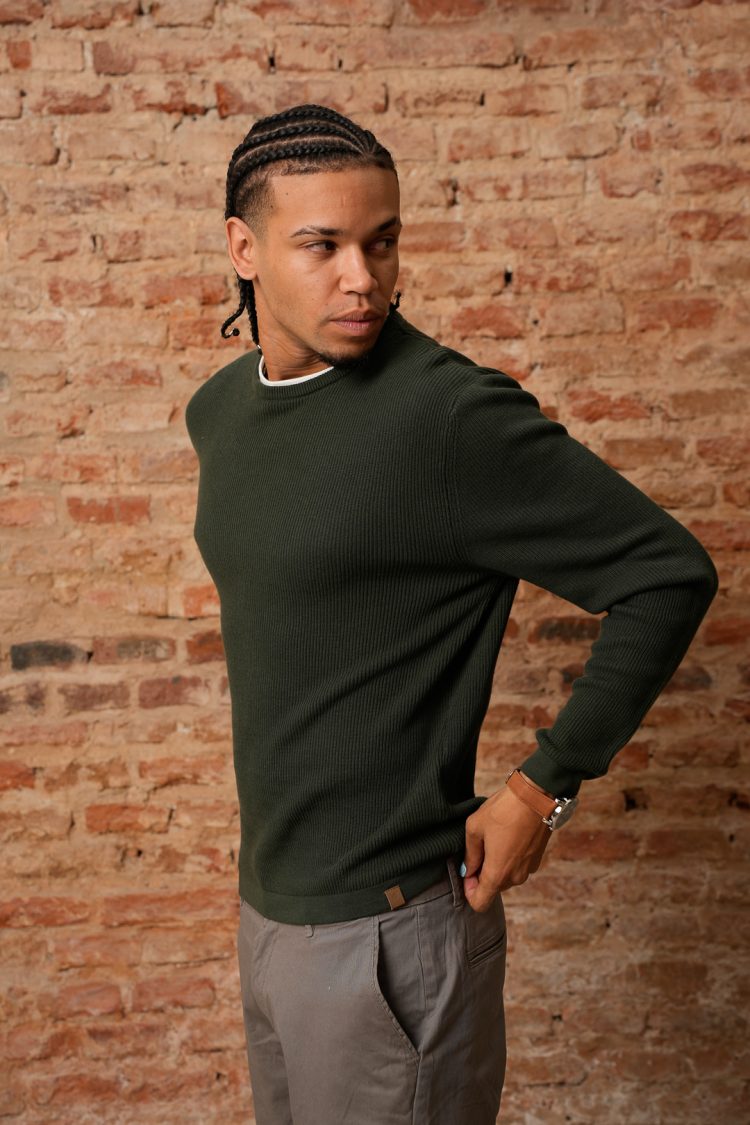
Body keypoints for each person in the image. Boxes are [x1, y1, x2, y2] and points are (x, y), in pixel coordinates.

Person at [184, 104, 718, 1124]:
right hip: (271, 920)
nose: (363, 277)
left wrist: (543, 786)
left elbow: (668, 573)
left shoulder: (445, 418)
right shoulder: (221, 413)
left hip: (390, 942)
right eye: (323, 245)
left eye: (382, 242)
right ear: (244, 250)